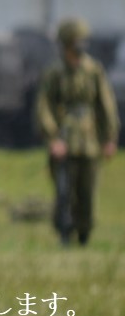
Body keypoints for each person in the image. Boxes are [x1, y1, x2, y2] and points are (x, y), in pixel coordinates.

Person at [36, 17, 119, 246]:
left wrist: (110, 138)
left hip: (90, 141)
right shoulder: (54, 72)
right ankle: (65, 232)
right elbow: (44, 107)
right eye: (76, 40)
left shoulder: (94, 70)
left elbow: (106, 105)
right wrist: (53, 138)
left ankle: (85, 232)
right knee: (64, 191)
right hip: (65, 139)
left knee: (88, 191)